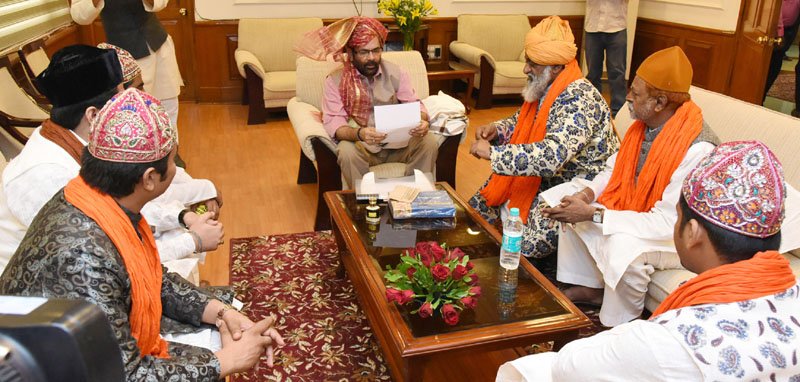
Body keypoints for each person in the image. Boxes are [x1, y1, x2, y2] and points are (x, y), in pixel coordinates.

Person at [0, 88, 284, 381]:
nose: (175, 169)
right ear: (149, 178)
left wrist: (222, 313)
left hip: (91, 351)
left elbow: (149, 276)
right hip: (57, 370)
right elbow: (122, 373)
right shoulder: (84, 254)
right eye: (173, 162)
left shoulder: (97, 198)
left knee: (222, 318)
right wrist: (224, 362)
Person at [497, 140, 800, 381]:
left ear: (692, 232)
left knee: (531, 370)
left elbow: (568, 368)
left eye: (679, 217)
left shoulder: (665, 341)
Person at [0, 45, 220, 280]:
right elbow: (108, 257)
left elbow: (118, 204)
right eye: (121, 104)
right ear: (93, 115)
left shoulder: (77, 139)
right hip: (39, 294)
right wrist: (193, 240)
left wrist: (182, 216)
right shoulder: (45, 174)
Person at [542, 46, 721, 327]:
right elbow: (614, 170)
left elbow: (666, 222)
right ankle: (591, 287)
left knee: (624, 245)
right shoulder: (645, 125)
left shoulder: (696, 149)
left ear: (660, 102)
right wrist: (586, 196)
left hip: (683, 235)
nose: (627, 97)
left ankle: (618, 323)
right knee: (564, 199)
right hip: (646, 212)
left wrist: (593, 214)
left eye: (636, 94)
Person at [468, 16, 619, 259]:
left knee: (523, 247)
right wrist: (497, 129)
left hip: (577, 186)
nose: (526, 68)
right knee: (476, 210)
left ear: (557, 66)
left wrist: (494, 154)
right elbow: (520, 121)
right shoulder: (546, 85)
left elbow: (552, 156)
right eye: (527, 60)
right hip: (543, 177)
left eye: (532, 63)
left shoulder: (579, 98)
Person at [296, 16, 439, 188]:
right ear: (350, 53)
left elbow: (416, 106)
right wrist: (360, 134)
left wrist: (422, 120)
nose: (371, 58)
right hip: (362, 146)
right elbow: (334, 123)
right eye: (364, 52)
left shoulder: (396, 72)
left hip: (399, 145)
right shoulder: (335, 80)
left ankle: (413, 197)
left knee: (428, 141)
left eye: (376, 50)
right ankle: (365, 203)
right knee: (346, 151)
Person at [70, 0, 183, 130]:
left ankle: (171, 148)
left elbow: (161, 3)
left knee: (167, 107)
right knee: (133, 114)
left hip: (158, 45)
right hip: (124, 58)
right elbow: (80, 16)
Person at [584, 0, 629, 116]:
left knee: (617, 74)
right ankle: (593, 110)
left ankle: (618, 113)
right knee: (593, 73)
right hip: (592, 27)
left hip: (617, 26)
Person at [763, 0, 800, 108]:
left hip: (790, 28)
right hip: (771, 26)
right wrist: (780, 32)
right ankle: (757, 98)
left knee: (775, 64)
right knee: (767, 64)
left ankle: (761, 97)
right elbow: (775, 8)